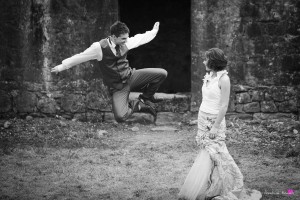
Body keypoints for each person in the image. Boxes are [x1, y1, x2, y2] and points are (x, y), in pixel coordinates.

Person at [178, 48, 261, 200]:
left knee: (218, 153)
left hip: (214, 121)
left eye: (206, 59)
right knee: (206, 153)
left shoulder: (224, 79)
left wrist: (215, 126)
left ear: (213, 62)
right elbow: (207, 99)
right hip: (203, 118)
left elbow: (223, 106)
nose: (203, 61)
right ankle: (208, 186)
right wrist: (200, 118)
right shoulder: (209, 75)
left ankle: (230, 184)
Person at [51, 21, 167, 122]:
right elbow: (81, 57)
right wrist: (62, 66)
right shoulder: (99, 47)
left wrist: (153, 31)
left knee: (162, 73)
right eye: (123, 38)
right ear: (113, 36)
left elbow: (139, 39)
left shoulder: (125, 42)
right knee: (120, 117)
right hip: (118, 87)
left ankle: (146, 97)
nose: (126, 40)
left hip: (131, 77)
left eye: (127, 38)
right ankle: (137, 104)